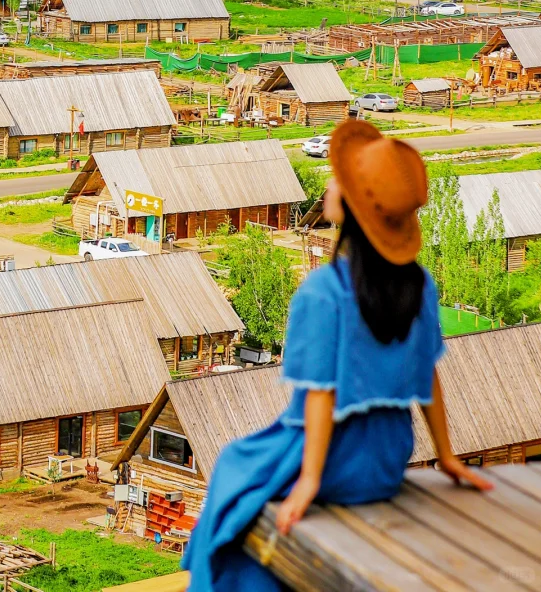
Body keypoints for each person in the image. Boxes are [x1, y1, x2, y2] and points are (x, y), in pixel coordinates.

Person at [182, 119, 492, 591]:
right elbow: (427, 376)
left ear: (349, 206)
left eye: (336, 179)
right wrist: (446, 456)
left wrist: (309, 480)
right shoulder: (419, 287)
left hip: (331, 458)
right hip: (388, 458)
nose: (327, 183)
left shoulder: (323, 291)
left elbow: (322, 395)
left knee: (232, 468)